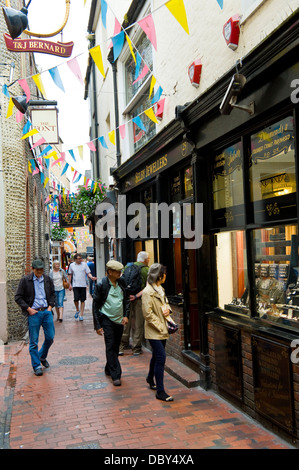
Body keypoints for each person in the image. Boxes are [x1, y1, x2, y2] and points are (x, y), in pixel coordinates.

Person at [15, 258, 56, 377]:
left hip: (46, 312)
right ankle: (37, 365)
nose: (39, 272)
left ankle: (42, 356)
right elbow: (18, 297)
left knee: (50, 337)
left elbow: (53, 294)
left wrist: (50, 307)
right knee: (33, 341)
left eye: (41, 270)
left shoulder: (48, 279)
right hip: (34, 313)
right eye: (37, 270)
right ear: (32, 269)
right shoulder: (25, 280)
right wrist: (28, 309)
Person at [92, 260, 130, 386]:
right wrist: (97, 325)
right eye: (118, 271)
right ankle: (116, 375)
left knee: (115, 346)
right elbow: (95, 305)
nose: (120, 273)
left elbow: (126, 300)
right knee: (110, 345)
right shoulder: (101, 285)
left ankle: (108, 368)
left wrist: (126, 315)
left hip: (119, 320)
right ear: (109, 272)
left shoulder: (122, 282)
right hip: (106, 319)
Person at [142, 263, 174, 402]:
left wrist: (168, 309)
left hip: (162, 328)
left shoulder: (160, 289)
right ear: (158, 276)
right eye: (164, 273)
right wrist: (160, 326)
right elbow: (147, 314)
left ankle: (150, 378)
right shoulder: (147, 292)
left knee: (156, 356)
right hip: (154, 330)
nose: (166, 276)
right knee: (161, 357)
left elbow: (165, 304)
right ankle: (160, 391)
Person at [119, 251, 150, 356]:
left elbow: (121, 282)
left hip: (126, 298)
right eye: (148, 259)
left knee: (125, 321)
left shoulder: (126, 267)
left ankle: (121, 347)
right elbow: (147, 287)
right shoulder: (146, 269)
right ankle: (136, 348)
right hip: (138, 299)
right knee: (138, 323)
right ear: (145, 260)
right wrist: (136, 296)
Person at [68, 253, 97, 321]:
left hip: (83, 284)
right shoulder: (72, 265)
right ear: (75, 259)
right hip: (75, 284)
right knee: (76, 299)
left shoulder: (84, 264)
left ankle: (81, 314)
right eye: (79, 259)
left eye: (81, 258)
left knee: (83, 300)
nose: (80, 260)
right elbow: (70, 275)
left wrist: (91, 277)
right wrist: (69, 284)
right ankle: (77, 310)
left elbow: (88, 272)